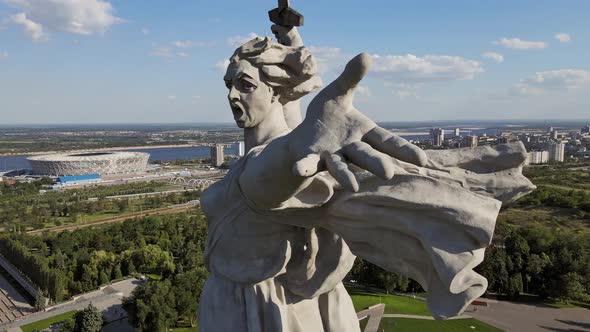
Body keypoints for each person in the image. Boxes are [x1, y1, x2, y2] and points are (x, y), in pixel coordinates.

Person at [198, 26, 534, 332]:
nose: (231, 95)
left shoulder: (276, 164)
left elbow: (272, 174)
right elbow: (291, 126)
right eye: (229, 84)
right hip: (276, 304)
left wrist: (296, 147)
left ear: (275, 93)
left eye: (245, 85)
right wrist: (292, 43)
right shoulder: (284, 144)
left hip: (261, 312)